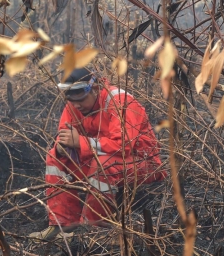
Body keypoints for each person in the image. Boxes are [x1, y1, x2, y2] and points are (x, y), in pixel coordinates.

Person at [29, 67, 166, 240]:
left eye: (81, 99)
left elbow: (123, 146)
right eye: (72, 99)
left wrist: (80, 142)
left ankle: (91, 229)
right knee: (55, 157)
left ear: (95, 89)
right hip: (98, 160)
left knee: (104, 164)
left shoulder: (120, 101)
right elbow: (64, 134)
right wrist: (62, 147)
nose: (77, 105)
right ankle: (61, 225)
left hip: (142, 163)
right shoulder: (74, 106)